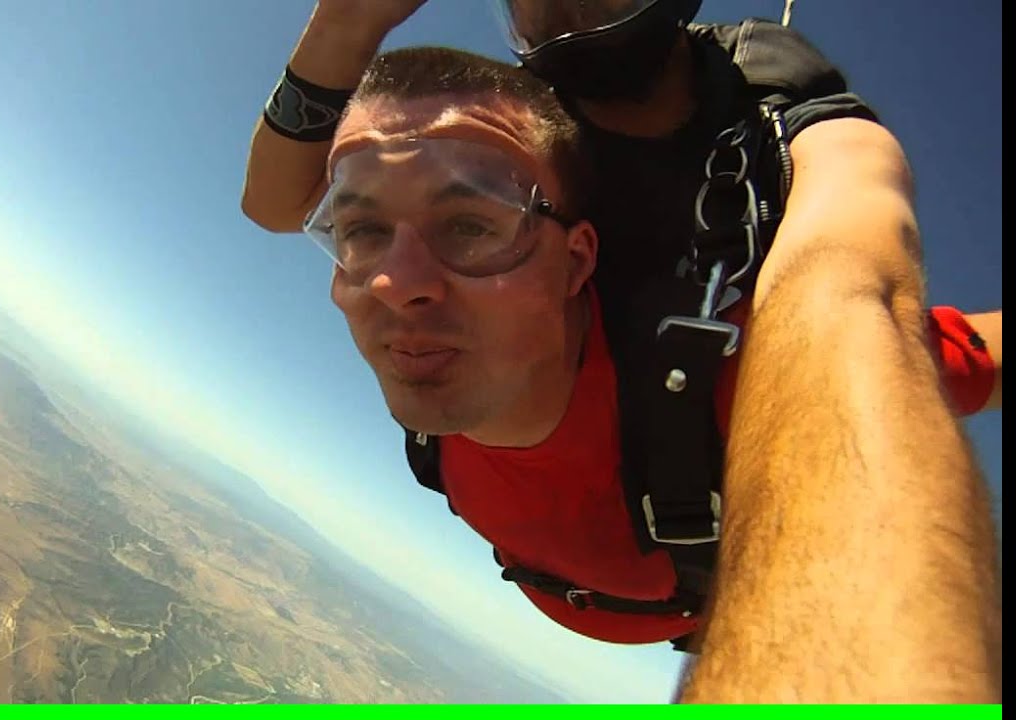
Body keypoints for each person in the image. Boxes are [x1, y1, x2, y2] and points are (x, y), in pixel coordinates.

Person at [243, 2, 1002, 703]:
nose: (394, 283)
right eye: (362, 234)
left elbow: (847, 305)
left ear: (576, 259)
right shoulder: (463, 239)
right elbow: (277, 205)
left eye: (470, 228)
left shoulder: (748, 385)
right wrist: (345, 24)